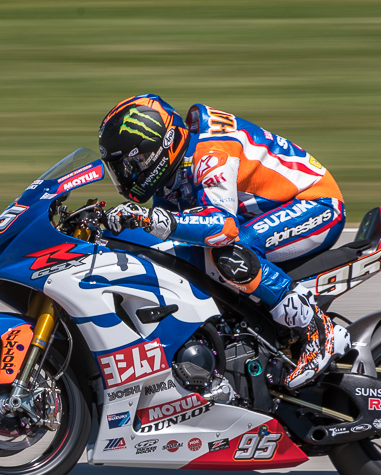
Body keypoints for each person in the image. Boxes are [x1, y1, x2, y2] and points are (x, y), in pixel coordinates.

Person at [98, 94, 350, 389]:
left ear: (158, 149)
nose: (127, 176)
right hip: (264, 213)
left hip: (315, 204)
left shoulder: (211, 150)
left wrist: (154, 220)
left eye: (133, 164)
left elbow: (222, 226)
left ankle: (318, 330)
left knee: (228, 251)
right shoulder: (174, 167)